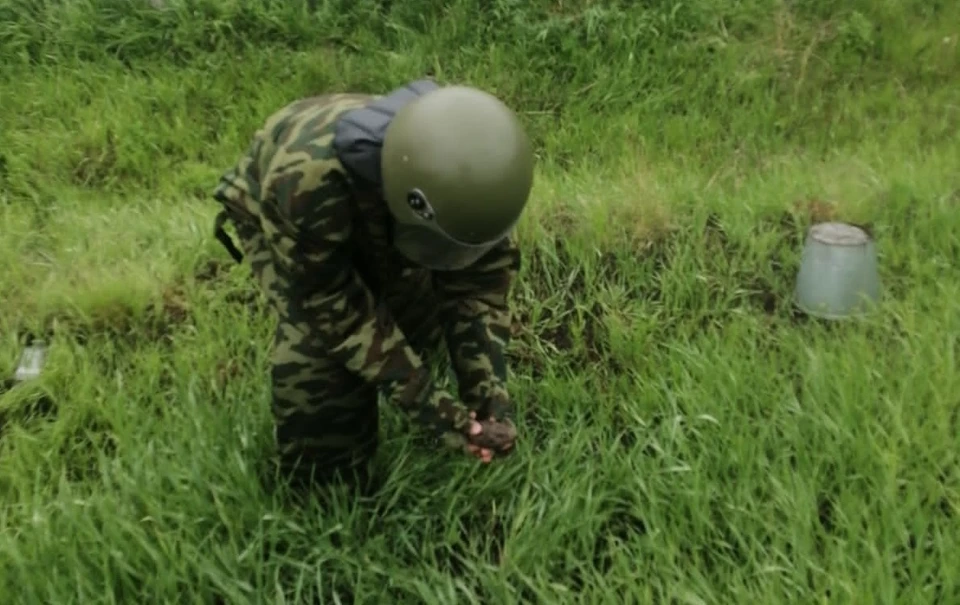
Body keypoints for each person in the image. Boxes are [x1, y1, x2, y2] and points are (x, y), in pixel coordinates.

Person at [209, 79, 535, 492]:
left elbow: (478, 290)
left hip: (388, 208)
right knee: (321, 353)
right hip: (284, 210)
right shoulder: (306, 184)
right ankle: (328, 489)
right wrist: (431, 408)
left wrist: (488, 397)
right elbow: (335, 307)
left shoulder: (476, 191)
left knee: (410, 318)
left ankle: (411, 344)